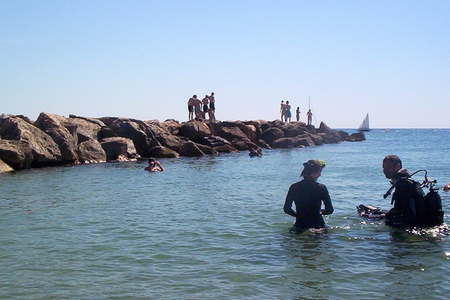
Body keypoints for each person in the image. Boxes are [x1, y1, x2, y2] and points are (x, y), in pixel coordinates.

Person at [283, 160, 333, 231]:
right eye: (319, 172)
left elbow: (287, 209)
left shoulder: (294, 187)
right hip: (318, 226)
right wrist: (319, 212)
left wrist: (299, 215)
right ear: (313, 173)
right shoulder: (321, 188)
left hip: (299, 225)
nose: (320, 175)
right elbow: (330, 210)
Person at [382, 155, 424, 226]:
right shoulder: (409, 182)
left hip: (412, 227)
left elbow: (404, 214)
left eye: (388, 167)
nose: (384, 170)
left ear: (397, 166)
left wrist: (384, 217)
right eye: (384, 167)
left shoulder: (403, 185)